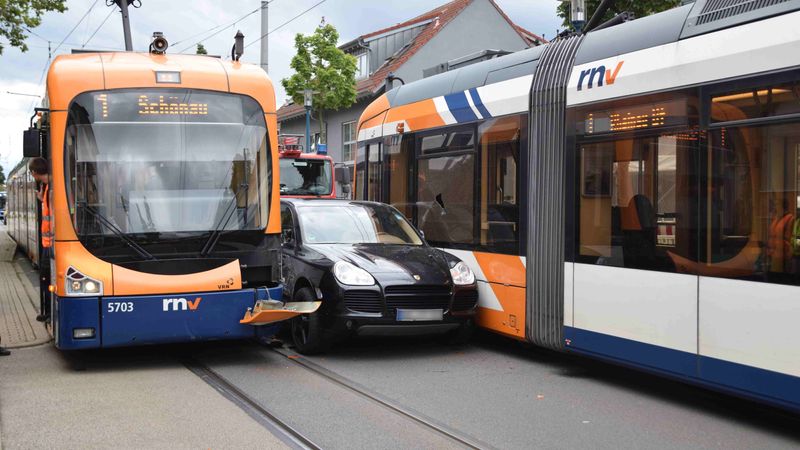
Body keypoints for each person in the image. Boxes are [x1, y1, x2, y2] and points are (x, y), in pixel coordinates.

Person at [28, 157, 52, 323]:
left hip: (51, 245)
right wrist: (42, 199)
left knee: (46, 280)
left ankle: (49, 313)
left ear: (35, 173)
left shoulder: (52, 189)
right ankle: (48, 312)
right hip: (48, 244)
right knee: (46, 279)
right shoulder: (47, 188)